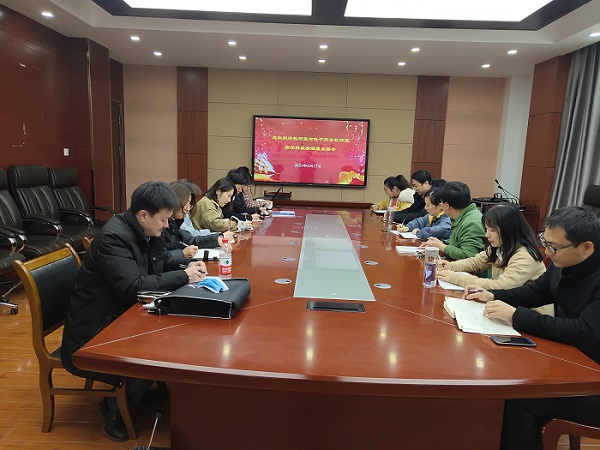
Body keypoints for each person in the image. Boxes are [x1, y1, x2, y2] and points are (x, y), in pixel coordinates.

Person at [61, 181, 207, 442]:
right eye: (163, 220)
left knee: (177, 330)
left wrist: (188, 266)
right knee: (161, 341)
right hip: (97, 329)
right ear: (143, 215)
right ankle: (113, 405)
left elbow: (162, 260)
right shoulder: (114, 238)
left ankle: (137, 387)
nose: (167, 226)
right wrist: (183, 277)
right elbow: (133, 287)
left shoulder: (144, 230)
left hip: (122, 314)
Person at [463, 206, 600, 450]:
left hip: (592, 380)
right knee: (504, 375)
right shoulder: (563, 262)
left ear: (586, 247)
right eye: (545, 242)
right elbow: (537, 292)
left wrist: (517, 316)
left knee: (518, 398)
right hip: (570, 360)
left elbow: (583, 331)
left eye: (554, 247)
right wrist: (493, 295)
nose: (547, 252)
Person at [437, 202, 546, 289]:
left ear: (509, 230)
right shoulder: (500, 247)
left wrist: (456, 278)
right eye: (487, 229)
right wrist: (451, 266)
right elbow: (476, 262)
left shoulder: (524, 255)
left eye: (492, 230)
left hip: (526, 309)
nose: (487, 235)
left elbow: (501, 286)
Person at [162, 181, 231, 259]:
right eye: (187, 203)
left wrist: (216, 239)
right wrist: (182, 254)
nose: (188, 209)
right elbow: (159, 257)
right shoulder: (166, 224)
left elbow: (189, 240)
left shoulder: (174, 223)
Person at [423, 181, 485, 260]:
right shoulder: (460, 216)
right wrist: (437, 244)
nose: (440, 205)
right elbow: (456, 242)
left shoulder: (472, 223)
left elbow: (468, 255)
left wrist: (442, 246)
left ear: (447, 205)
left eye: (441, 202)